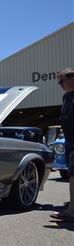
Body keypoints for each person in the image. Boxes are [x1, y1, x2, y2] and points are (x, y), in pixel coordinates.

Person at [51, 68, 74, 221]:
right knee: (71, 172)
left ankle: (72, 211)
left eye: (62, 81)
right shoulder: (67, 97)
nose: (60, 84)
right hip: (69, 140)